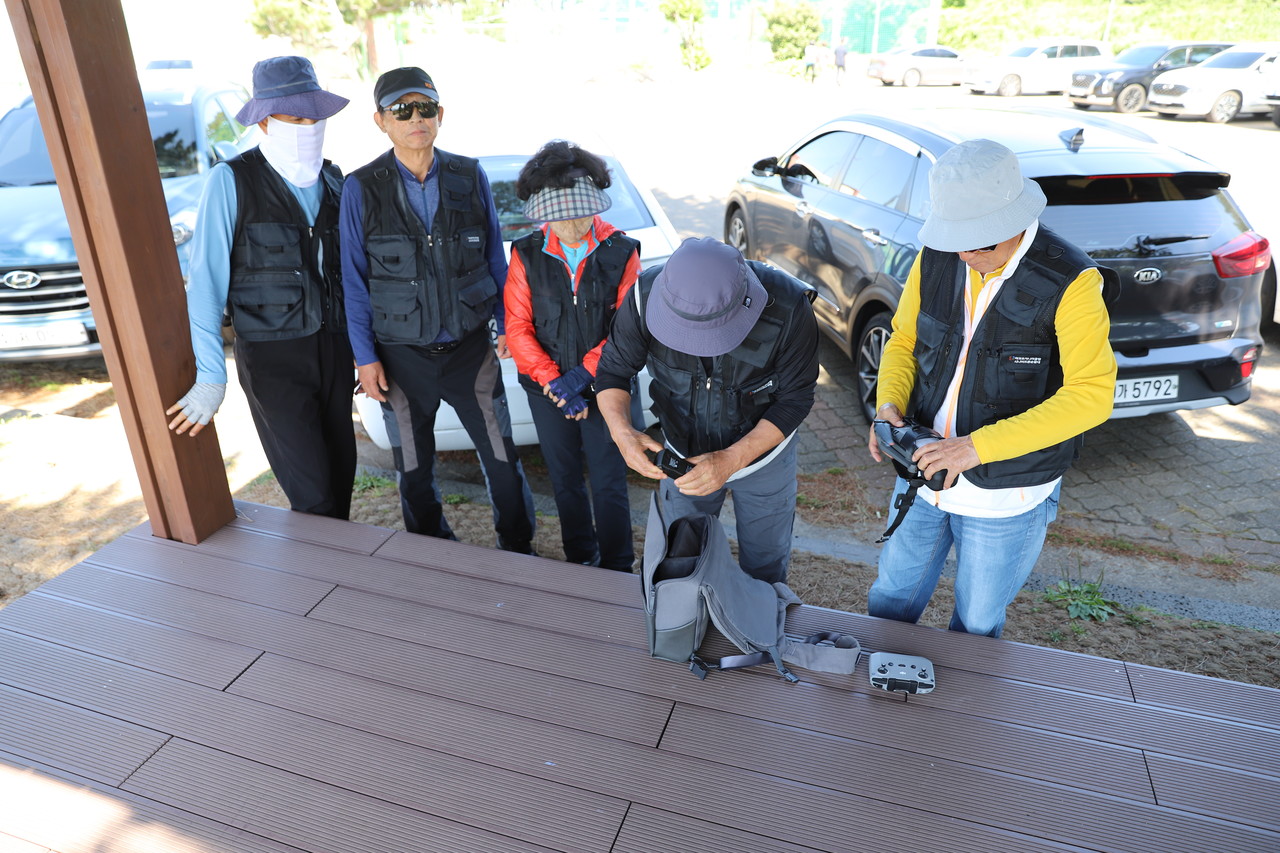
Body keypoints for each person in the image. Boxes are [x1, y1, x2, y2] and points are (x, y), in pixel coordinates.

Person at [866, 138, 1117, 638]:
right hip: (921, 474)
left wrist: (974, 449)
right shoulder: (938, 256)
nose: (965, 253)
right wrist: (889, 403)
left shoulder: (1073, 280)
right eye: (957, 238)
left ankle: (964, 717)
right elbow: (905, 338)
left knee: (978, 623)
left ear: (1016, 220)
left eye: (979, 243)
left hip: (1008, 496)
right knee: (890, 600)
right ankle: (879, 714)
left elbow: (1092, 395)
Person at [339, 66, 535, 552]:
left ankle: (520, 549)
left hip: (472, 353)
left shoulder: (470, 175)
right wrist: (365, 357)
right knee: (413, 469)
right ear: (380, 121)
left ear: (440, 114)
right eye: (401, 110)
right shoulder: (360, 187)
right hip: (401, 358)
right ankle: (430, 551)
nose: (415, 118)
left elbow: (495, 256)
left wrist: (507, 324)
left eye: (425, 107)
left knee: (502, 460)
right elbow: (354, 281)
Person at [166, 55, 356, 519]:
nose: (308, 126)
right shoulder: (229, 180)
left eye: (315, 117)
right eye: (295, 118)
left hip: (335, 350)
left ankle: (339, 584)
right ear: (266, 121)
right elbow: (206, 284)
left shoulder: (335, 180)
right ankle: (318, 589)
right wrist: (212, 375)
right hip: (273, 357)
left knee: (342, 480)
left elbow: (356, 275)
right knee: (314, 497)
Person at [595, 237, 819, 584]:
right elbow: (612, 371)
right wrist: (622, 433)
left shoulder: (789, 307)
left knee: (765, 568)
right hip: (681, 451)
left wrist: (731, 459)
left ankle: (757, 630)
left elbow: (796, 399)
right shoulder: (643, 296)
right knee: (680, 561)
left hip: (764, 460)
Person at [504, 141, 642, 571]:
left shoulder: (623, 251)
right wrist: (555, 384)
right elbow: (518, 326)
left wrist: (582, 376)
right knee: (564, 480)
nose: (569, 222)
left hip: (608, 385)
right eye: (557, 212)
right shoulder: (525, 253)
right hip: (547, 390)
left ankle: (618, 566)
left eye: (579, 209)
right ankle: (579, 559)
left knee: (609, 480)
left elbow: (628, 328)